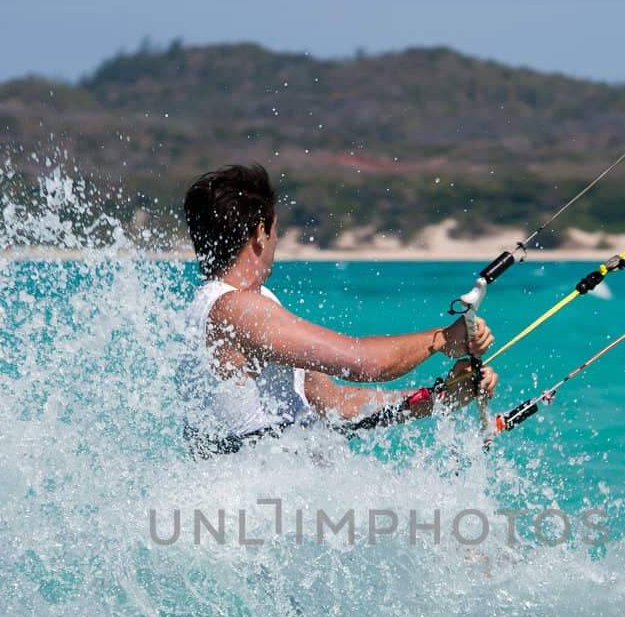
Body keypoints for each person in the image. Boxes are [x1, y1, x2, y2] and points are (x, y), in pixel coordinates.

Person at [180, 163, 497, 455]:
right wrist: (440, 339)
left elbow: (333, 403)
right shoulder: (236, 310)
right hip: (257, 501)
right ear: (260, 235)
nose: (275, 242)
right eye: (275, 230)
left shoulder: (245, 304)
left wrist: (438, 397)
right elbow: (364, 363)